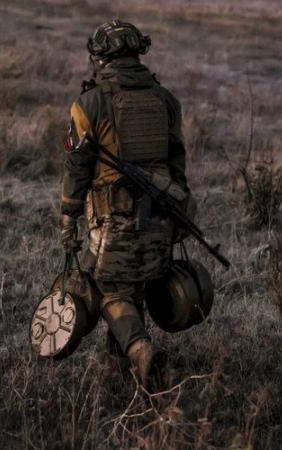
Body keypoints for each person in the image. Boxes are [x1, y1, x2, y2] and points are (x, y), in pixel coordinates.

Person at [60, 20, 191, 387]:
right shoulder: (165, 99)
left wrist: (67, 215)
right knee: (134, 289)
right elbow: (178, 163)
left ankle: (141, 352)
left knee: (107, 290)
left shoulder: (89, 103)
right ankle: (119, 377)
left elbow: (76, 168)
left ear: (99, 57)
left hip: (114, 220)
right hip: (162, 217)